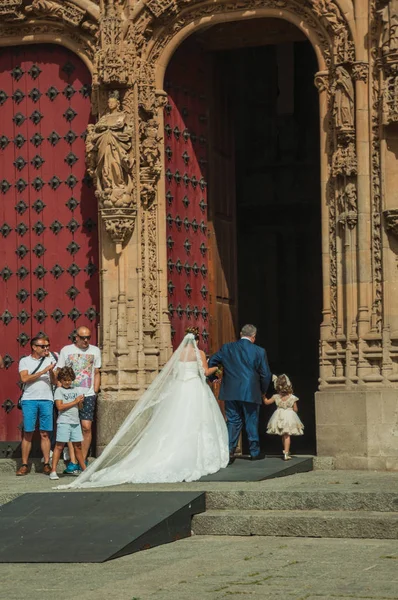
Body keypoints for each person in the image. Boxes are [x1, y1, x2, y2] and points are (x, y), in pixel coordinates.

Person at [55, 327, 229, 489]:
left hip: (180, 388)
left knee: (176, 421)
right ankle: (194, 454)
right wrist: (217, 368)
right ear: (197, 340)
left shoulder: (178, 354)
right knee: (196, 421)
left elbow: (172, 372)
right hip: (195, 389)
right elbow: (204, 372)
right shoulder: (199, 353)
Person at [209, 324, 271, 462]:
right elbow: (266, 374)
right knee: (251, 420)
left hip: (231, 390)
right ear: (253, 337)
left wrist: (213, 378)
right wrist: (262, 390)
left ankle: (229, 452)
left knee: (233, 420)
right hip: (250, 390)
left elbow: (212, 360)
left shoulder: (227, 348)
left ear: (241, 334)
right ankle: (254, 452)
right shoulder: (259, 351)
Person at [56, 326, 101, 471]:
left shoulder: (95, 351)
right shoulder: (66, 350)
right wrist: (60, 390)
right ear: (76, 337)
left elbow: (97, 371)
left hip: (87, 394)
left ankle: (83, 458)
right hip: (69, 394)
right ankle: (73, 461)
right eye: (83, 338)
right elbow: (59, 371)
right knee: (71, 426)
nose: (86, 340)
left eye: (88, 337)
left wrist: (94, 390)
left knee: (86, 427)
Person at [17, 335, 57, 476]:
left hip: (46, 399)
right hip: (29, 400)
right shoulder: (25, 361)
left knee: (45, 433)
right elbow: (24, 378)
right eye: (43, 346)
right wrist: (43, 371)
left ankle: (46, 463)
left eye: (47, 346)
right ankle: (24, 464)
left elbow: (54, 382)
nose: (46, 348)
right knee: (28, 432)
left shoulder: (51, 360)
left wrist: (51, 371)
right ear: (34, 347)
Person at [49, 367, 86, 481]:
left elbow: (80, 407)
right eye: (65, 380)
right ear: (61, 380)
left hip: (75, 422)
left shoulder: (75, 390)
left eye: (69, 380)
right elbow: (59, 406)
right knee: (59, 446)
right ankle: (53, 470)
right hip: (64, 422)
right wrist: (74, 401)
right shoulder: (59, 391)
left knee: (78, 447)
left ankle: (84, 470)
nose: (67, 382)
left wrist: (80, 402)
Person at [264, 374, 304, 460]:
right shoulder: (292, 397)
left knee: (284, 434)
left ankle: (286, 450)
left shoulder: (276, 396)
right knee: (286, 435)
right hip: (289, 415)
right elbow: (295, 409)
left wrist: (263, 396)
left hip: (279, 415)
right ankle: (286, 452)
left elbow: (267, 402)